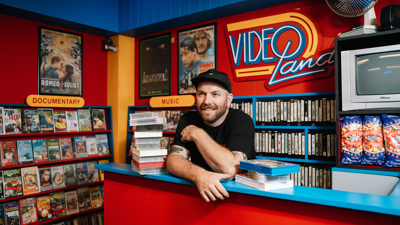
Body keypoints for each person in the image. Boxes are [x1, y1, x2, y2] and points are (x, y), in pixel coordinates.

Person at [166, 69, 256, 202]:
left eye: (215, 94)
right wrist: (199, 175)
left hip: (239, 201)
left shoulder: (241, 121)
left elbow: (231, 168)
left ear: (228, 99)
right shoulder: (188, 119)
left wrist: (197, 134)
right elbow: (173, 160)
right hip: (199, 197)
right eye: (201, 94)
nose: (207, 101)